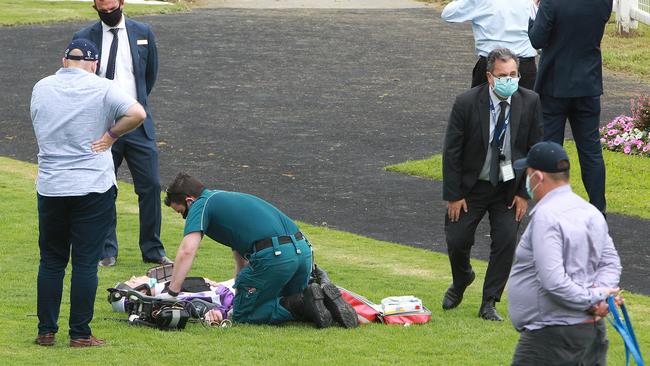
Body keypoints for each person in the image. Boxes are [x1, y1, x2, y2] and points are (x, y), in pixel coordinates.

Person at [31, 39, 146, 347]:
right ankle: (80, 333)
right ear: (93, 63)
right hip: (92, 185)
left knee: (51, 261)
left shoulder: (41, 86)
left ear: (64, 60)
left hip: (52, 185)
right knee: (85, 262)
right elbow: (137, 113)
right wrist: (110, 135)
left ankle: (45, 331)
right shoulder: (103, 87)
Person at [162, 173, 358, 328]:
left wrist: (172, 293)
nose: (185, 218)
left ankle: (302, 304)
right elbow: (241, 256)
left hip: (276, 257)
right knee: (282, 299)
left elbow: (187, 250)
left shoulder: (201, 204)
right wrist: (241, 289)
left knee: (244, 314)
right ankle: (318, 295)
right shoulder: (228, 199)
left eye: (181, 212)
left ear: (189, 200)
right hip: (303, 252)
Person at [441, 48, 542, 321]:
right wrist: (454, 195)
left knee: (506, 240)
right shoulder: (465, 103)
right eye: (502, 75)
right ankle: (462, 279)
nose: (509, 80)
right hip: (472, 187)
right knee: (457, 238)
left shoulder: (530, 102)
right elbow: (452, 152)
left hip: (509, 189)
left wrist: (524, 194)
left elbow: (536, 152)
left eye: (513, 75)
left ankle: (489, 301)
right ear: (489, 77)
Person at [73, 0, 170, 267]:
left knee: (150, 185)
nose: (107, 13)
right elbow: (78, 81)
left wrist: (132, 109)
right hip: (102, 126)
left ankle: (152, 248)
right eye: (101, 10)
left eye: (111, 8)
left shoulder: (143, 33)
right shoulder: (83, 37)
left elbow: (149, 77)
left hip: (138, 123)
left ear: (122, 3)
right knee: (104, 188)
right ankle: (106, 250)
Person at [508, 141, 622, 365]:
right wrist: (600, 296)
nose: (526, 182)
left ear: (538, 177)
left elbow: (553, 281)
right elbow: (611, 264)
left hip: (551, 338)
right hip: (590, 331)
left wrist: (593, 300)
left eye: (528, 174)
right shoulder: (590, 211)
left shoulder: (546, 217)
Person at [528, 0, 612, 214]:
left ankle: (551, 207)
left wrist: (534, 12)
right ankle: (598, 209)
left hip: (554, 85)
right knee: (591, 152)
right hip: (588, 83)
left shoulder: (551, 2)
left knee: (551, 149)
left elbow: (537, 39)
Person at [441, 0, 538, 89]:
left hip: (491, 65)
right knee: (526, 106)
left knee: (483, 106)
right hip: (524, 66)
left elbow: (448, 14)